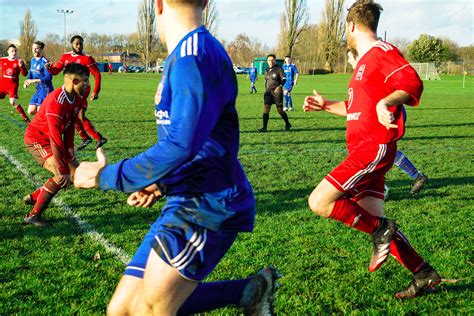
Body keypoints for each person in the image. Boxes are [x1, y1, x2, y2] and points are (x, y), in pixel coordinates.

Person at [73, 0, 279, 314]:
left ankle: (250, 290)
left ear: (156, 4)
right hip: (185, 196)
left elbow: (182, 144)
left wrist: (105, 176)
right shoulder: (187, 54)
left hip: (208, 204)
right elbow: (200, 141)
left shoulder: (193, 56)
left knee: (151, 310)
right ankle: (249, 290)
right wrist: (161, 184)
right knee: (123, 309)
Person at [303, 0, 440, 299]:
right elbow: (354, 109)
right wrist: (325, 105)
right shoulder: (364, 62)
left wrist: (386, 102)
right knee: (371, 220)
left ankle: (383, 228)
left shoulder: (382, 52)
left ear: (351, 26)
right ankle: (423, 273)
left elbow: (413, 83)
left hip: (373, 149)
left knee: (320, 201)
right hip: (364, 150)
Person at [347, 49, 429, 197]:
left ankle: (377, 187)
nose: (348, 61)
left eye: (350, 58)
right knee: (381, 150)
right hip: (377, 115)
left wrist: (386, 104)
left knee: (376, 149)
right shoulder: (361, 73)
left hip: (388, 113)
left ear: (358, 56)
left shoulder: (372, 67)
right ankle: (415, 177)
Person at [23, 63, 89, 226]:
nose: (88, 85)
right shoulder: (56, 102)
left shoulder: (77, 98)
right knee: (61, 176)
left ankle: (35, 197)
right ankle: (33, 215)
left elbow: (69, 129)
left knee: (74, 176)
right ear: (74, 81)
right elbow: (55, 138)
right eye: (85, 81)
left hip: (52, 139)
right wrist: (63, 168)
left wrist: (71, 152)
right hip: (37, 139)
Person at [46, 35, 107, 151]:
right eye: (76, 44)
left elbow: (97, 74)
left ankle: (95, 138)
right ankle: (88, 138)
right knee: (73, 115)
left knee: (78, 114)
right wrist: (50, 68)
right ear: (72, 44)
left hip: (83, 89)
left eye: (81, 44)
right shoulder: (65, 57)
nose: (79, 46)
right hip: (70, 89)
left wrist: (96, 91)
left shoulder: (87, 58)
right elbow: (55, 71)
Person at [258, 54, 291, 132]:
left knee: (280, 110)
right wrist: (266, 90)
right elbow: (266, 81)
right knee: (266, 108)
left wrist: (279, 86)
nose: (271, 62)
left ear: (275, 60)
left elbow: (284, 79)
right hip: (268, 93)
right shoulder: (266, 70)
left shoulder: (279, 69)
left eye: (272, 60)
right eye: (269, 60)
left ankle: (287, 123)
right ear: (267, 61)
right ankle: (264, 128)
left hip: (277, 93)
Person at [23, 41, 54, 116]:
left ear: (41, 49)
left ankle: (43, 125)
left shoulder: (45, 62)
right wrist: (27, 81)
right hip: (38, 89)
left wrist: (34, 80)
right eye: (33, 48)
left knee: (40, 112)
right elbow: (31, 72)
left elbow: (48, 77)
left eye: (36, 48)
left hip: (46, 89)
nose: (34, 50)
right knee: (31, 111)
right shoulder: (33, 60)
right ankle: (43, 123)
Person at [0, 44, 30, 123]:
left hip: (12, 86)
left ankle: (26, 118)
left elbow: (25, 74)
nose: (14, 53)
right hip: (2, 84)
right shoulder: (3, 60)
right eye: (12, 51)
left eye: (15, 51)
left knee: (13, 102)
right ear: (8, 51)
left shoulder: (19, 61)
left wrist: (22, 66)